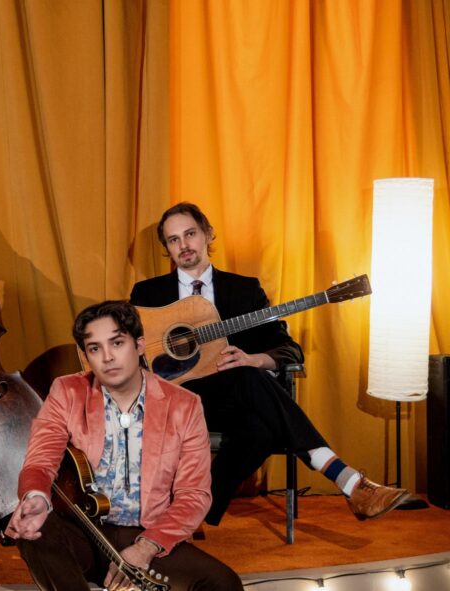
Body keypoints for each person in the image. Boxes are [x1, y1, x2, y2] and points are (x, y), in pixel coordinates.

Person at [129, 202, 409, 525]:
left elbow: (290, 350)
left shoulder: (245, 291)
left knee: (260, 421)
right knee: (257, 400)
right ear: (167, 248)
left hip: (233, 399)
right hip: (172, 402)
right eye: (173, 240)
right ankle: (346, 479)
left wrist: (255, 359)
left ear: (207, 233)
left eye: (190, 234)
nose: (183, 245)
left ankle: (190, 511)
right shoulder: (148, 294)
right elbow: (122, 346)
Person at [7, 301, 243, 591]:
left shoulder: (184, 405)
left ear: (140, 345)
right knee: (36, 530)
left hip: (146, 534)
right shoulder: (67, 391)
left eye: (117, 343)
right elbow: (41, 459)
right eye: (95, 348)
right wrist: (36, 498)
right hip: (83, 529)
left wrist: (147, 547)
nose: (107, 357)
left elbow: (193, 494)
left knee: (223, 583)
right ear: (86, 357)